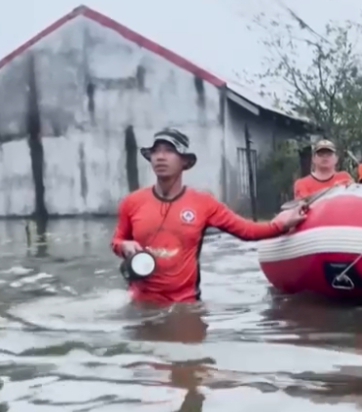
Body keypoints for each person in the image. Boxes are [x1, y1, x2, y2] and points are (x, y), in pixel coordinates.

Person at [111, 127, 306, 305]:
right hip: (140, 304)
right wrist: (124, 246)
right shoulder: (132, 202)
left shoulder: (203, 203)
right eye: (155, 151)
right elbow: (116, 241)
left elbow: (246, 230)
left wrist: (281, 224)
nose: (160, 157)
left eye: (169, 151)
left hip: (185, 305)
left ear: (185, 161)